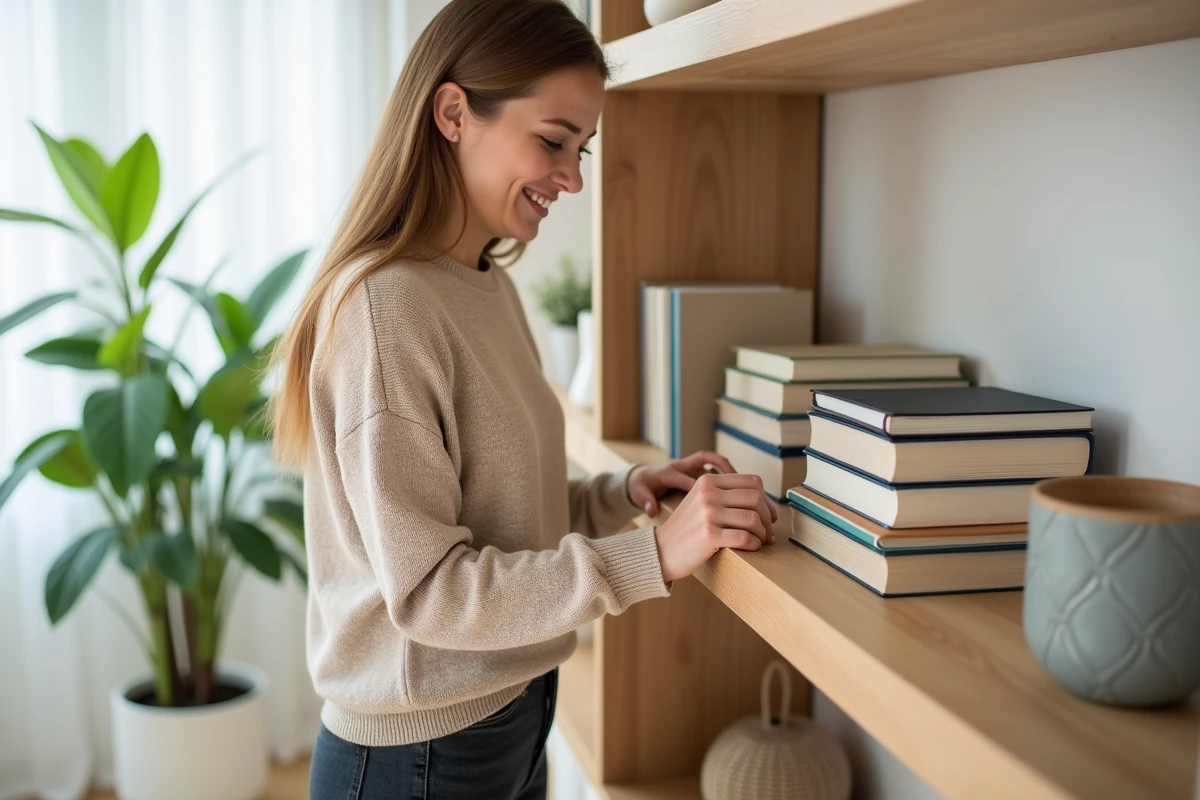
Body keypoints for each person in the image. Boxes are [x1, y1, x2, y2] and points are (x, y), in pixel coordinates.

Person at [268, 0, 777, 797]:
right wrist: (654, 557)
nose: (573, 177)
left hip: (508, 712)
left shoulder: (485, 285)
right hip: (418, 755)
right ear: (452, 113)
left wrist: (623, 497)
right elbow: (433, 592)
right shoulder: (385, 309)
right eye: (552, 141)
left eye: (582, 147)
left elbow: (498, 517)